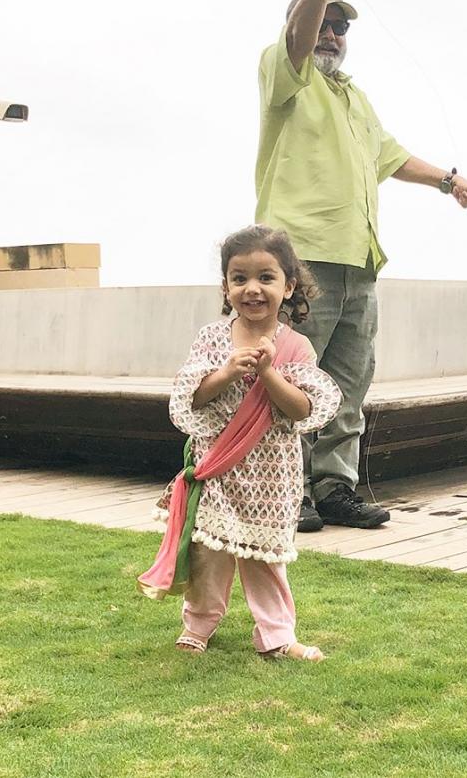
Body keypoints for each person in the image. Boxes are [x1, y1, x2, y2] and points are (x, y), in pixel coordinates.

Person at [255, 0, 467, 533]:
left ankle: (335, 487)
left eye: (339, 26)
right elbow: (299, 40)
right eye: (321, 22)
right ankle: (287, 491)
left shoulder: (354, 97)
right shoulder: (285, 74)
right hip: (301, 257)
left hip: (360, 262)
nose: (331, 33)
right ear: (299, 26)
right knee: (292, 378)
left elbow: (393, 156)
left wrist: (449, 181)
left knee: (348, 386)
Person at [137, 225, 342, 662]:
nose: (252, 289)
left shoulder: (296, 346)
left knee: (266, 558)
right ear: (226, 286)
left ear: (289, 286)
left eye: (266, 277)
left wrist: (269, 373)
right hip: (219, 467)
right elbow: (193, 395)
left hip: (272, 473)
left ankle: (277, 636)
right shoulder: (213, 339)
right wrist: (228, 371)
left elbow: (302, 409)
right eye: (240, 277)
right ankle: (198, 626)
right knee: (208, 551)